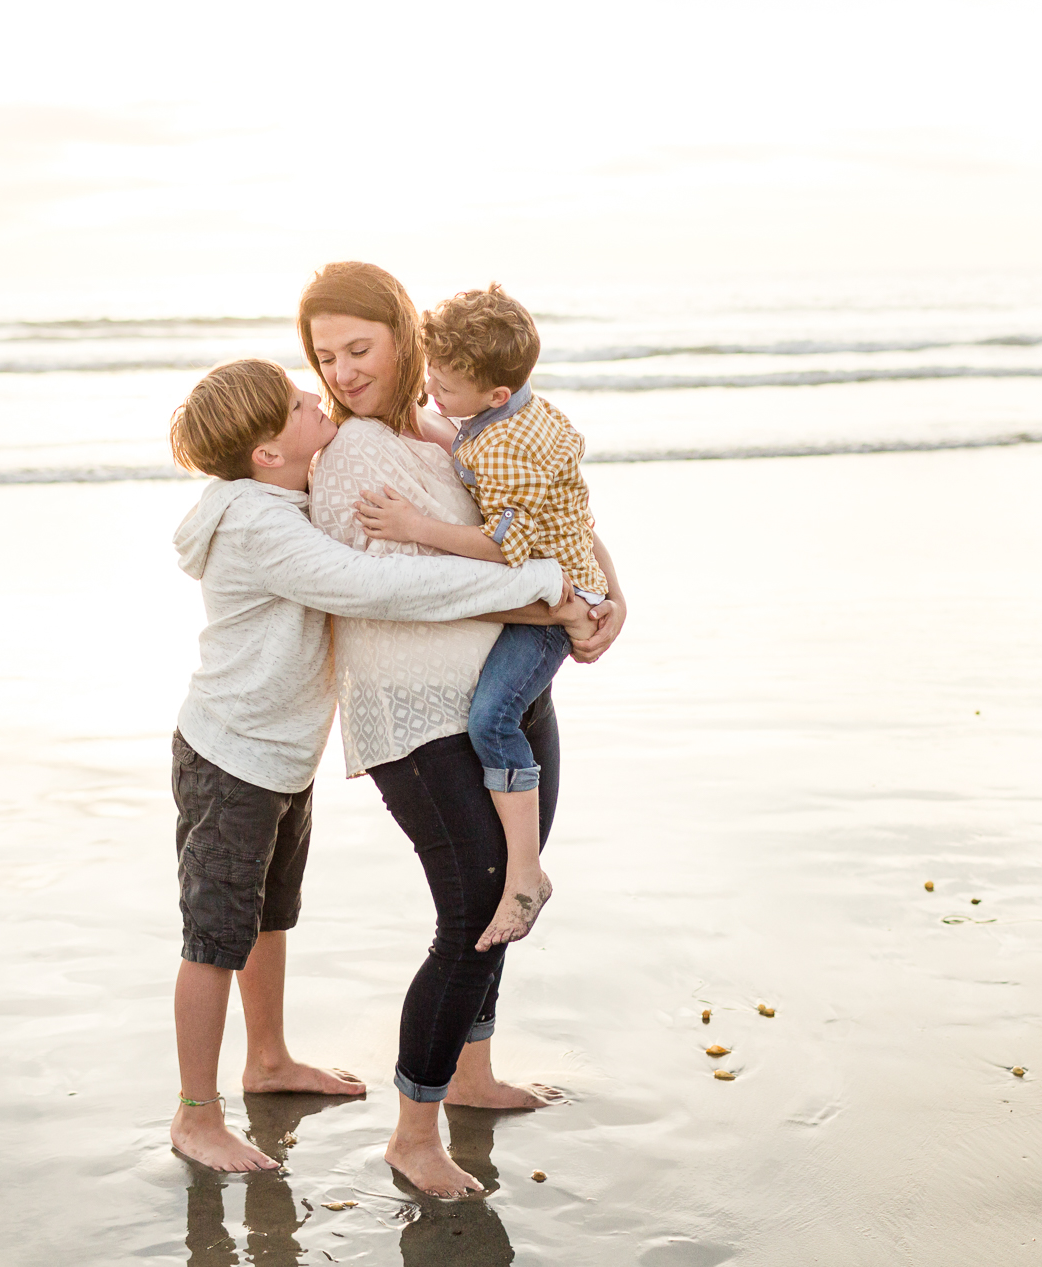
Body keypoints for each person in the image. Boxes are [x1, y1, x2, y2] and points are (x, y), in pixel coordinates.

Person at [165, 358, 571, 1173]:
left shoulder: (278, 492)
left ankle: (269, 1061)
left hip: (280, 752)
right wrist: (541, 588)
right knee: (214, 936)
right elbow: (370, 586)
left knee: (269, 913)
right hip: (231, 755)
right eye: (294, 403)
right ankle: (196, 1115)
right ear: (265, 456)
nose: (316, 394)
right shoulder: (257, 523)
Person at [299, 261, 627, 1197]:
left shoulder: (454, 429)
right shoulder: (357, 453)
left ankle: (475, 1073)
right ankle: (413, 1131)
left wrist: (608, 594)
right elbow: (399, 591)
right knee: (472, 912)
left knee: (508, 907)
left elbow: (557, 512)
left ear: (407, 336)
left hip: (506, 691)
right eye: (326, 356)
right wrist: (554, 605)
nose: (345, 370)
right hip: (416, 715)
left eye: (359, 347)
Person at [353, 283, 606, 953]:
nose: (434, 388)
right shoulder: (508, 414)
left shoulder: (506, 451)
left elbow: (504, 546)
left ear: (495, 396)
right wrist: (429, 419)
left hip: (547, 605)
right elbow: (471, 439)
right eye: (430, 372)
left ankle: (526, 873)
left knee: (491, 717)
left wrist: (415, 525)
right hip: (558, 577)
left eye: (448, 384)